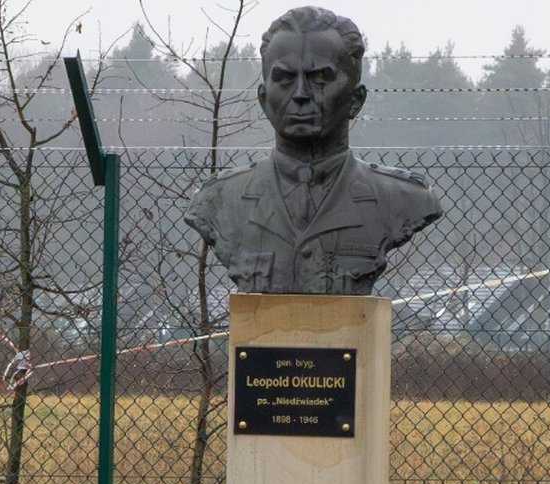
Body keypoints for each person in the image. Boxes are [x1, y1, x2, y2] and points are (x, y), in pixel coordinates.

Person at [183, 5, 441, 295]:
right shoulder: (218, 201)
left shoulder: (403, 199)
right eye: (284, 78)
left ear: (356, 100)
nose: (301, 94)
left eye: (320, 78)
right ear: (264, 99)